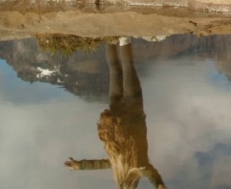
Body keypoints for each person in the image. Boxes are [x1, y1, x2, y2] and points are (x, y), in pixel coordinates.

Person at [64, 38, 166, 188]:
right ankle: (111, 40)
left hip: (133, 107)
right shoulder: (116, 162)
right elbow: (98, 164)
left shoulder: (140, 166)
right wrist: (80, 166)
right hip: (115, 112)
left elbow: (153, 176)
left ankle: (124, 39)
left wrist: (159, 185)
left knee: (128, 68)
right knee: (114, 69)